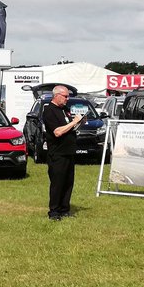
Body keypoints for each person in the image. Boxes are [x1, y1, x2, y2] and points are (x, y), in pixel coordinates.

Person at [41, 85, 85, 220]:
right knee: (57, 183)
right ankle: (54, 212)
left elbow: (69, 128)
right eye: (65, 96)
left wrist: (80, 123)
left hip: (69, 151)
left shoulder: (65, 110)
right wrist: (74, 122)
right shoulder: (49, 111)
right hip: (57, 153)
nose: (67, 99)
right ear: (56, 95)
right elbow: (58, 132)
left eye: (68, 96)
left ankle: (65, 209)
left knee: (68, 182)